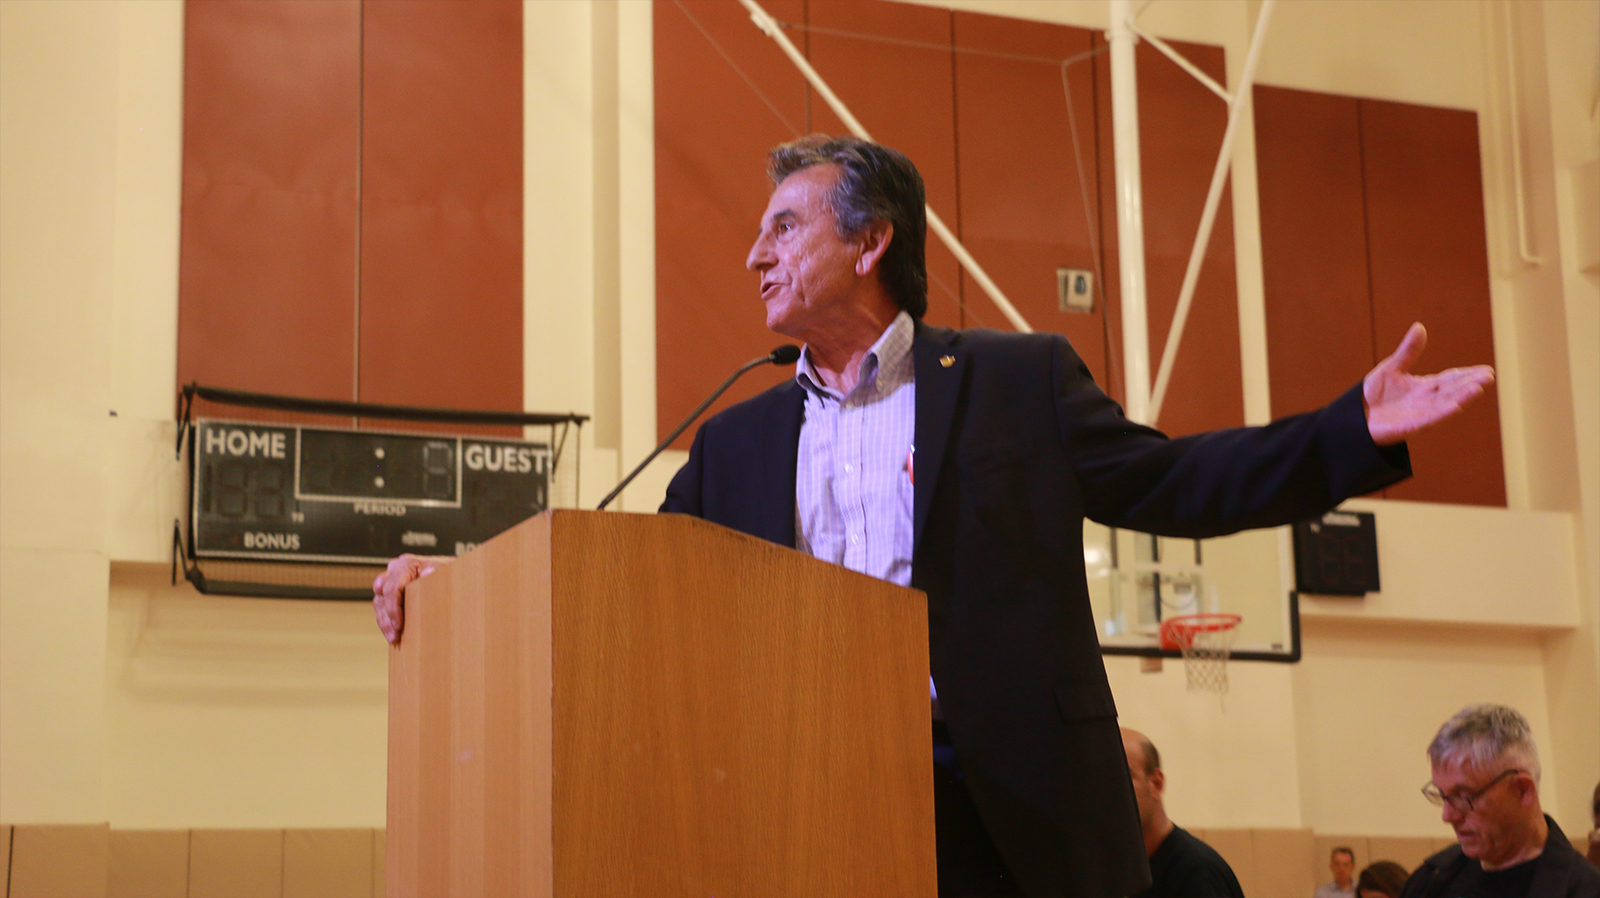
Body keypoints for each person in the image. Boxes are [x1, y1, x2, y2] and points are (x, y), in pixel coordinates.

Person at [375, 135, 1494, 896]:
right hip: (799, 801)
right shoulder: (736, 441)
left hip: (1008, 806)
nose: (753, 254)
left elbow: (1173, 482)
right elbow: (612, 583)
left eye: (783, 227)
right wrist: (458, 585)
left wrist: (1352, 429)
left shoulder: (1015, 380)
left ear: (870, 242)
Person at [1398, 704, 1600, 898]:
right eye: (1443, 796)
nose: (1448, 816)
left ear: (1522, 790)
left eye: (1464, 797)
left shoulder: (1585, 890)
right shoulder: (1430, 879)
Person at [1121, 727, 1244, 898]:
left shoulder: (1198, 874)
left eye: (1121, 777)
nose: (1106, 791)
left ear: (1156, 784)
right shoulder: (1116, 872)